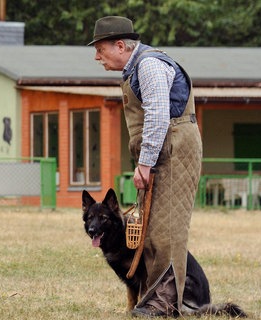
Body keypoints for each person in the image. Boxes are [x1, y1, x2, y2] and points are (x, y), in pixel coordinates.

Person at [88, 16, 202, 317]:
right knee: (150, 230)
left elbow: (158, 116)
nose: (97, 57)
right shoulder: (135, 68)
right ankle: (164, 298)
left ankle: (166, 304)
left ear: (121, 45)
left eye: (100, 49)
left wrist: (145, 163)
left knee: (165, 231)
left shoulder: (149, 65)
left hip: (175, 152)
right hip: (162, 153)